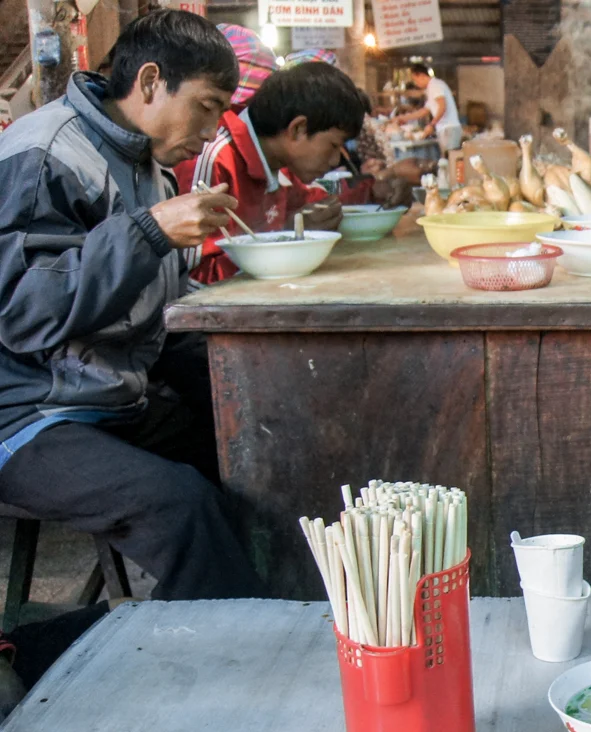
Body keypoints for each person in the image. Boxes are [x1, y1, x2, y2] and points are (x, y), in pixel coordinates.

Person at [0, 11, 262, 602]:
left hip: (107, 396)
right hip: (28, 413)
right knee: (180, 504)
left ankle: (274, 615)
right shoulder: (45, 154)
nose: (212, 126)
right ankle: (215, 663)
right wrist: (147, 234)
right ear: (149, 82)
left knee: (253, 455)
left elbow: (155, 306)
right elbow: (20, 311)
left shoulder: (151, 169)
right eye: (206, 105)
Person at [178, 61, 368, 284]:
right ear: (298, 129)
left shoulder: (283, 162)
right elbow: (191, 280)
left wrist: (372, 189)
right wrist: (281, 240)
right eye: (334, 145)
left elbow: (319, 206)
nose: (336, 160)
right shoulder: (214, 157)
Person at [400, 63, 461, 153]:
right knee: (446, 160)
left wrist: (432, 124)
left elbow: (442, 106)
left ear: (421, 75)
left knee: (450, 160)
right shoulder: (430, 88)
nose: (416, 83)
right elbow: (424, 111)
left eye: (415, 79)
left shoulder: (435, 85)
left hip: (449, 129)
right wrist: (403, 118)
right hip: (445, 129)